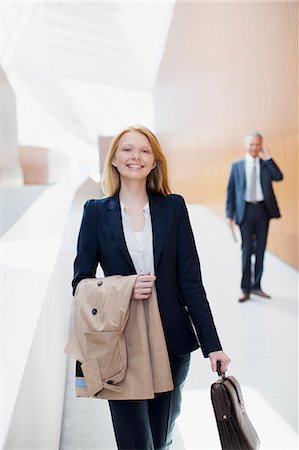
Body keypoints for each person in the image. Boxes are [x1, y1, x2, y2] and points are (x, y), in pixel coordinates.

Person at [72, 125, 230, 450]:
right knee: (133, 442)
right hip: (120, 345)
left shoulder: (173, 208)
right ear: (113, 159)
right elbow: (80, 282)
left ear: (154, 162)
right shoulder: (96, 212)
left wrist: (212, 345)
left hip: (171, 343)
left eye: (144, 151)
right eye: (127, 149)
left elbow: (191, 281)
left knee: (161, 439)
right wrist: (125, 287)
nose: (136, 156)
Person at [226, 131, 283, 303]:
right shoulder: (237, 165)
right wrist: (229, 214)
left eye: (258, 144)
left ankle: (257, 286)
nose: (254, 147)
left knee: (260, 250)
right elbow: (230, 191)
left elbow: (279, 177)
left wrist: (269, 157)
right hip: (245, 211)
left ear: (261, 145)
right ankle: (245, 288)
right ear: (246, 146)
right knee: (247, 250)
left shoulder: (266, 165)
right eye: (251, 144)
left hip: (262, 211)